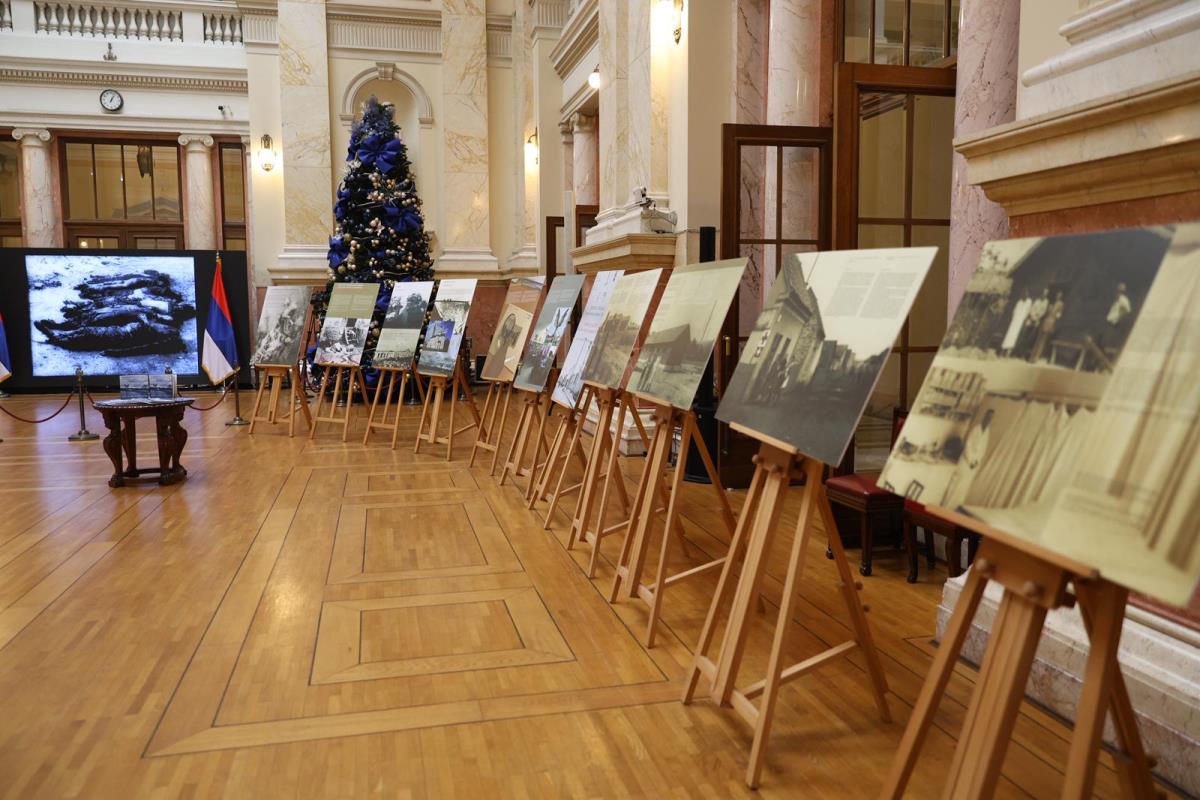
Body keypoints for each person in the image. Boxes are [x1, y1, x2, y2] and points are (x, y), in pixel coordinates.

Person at [944, 408, 994, 509]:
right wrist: (971, 460)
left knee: (963, 488)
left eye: (991, 418)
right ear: (984, 416)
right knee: (956, 485)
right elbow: (968, 445)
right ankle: (946, 506)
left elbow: (983, 450)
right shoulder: (976, 429)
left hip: (973, 465)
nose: (988, 420)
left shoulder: (987, 432)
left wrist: (976, 462)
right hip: (966, 461)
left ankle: (954, 509)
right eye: (988, 417)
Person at [1030, 290, 1064, 363]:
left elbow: (1059, 315)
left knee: (1043, 341)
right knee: (1038, 339)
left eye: (1059, 295)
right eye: (1057, 295)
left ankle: (1036, 357)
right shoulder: (1051, 304)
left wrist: (1055, 318)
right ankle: (1032, 356)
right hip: (1045, 321)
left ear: (1061, 296)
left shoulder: (1060, 304)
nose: (1057, 296)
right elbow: (1046, 312)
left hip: (1051, 322)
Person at [1020, 289, 1049, 360]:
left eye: (1045, 294)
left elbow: (1043, 311)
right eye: (1043, 293)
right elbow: (1032, 308)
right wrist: (1032, 315)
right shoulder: (1037, 300)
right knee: (1025, 335)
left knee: (1031, 337)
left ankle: (1026, 355)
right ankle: (1020, 353)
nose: (1043, 295)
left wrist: (1037, 317)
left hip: (1037, 320)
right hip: (1031, 318)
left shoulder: (1046, 302)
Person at [1001, 290, 1032, 357]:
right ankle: (1003, 350)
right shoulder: (1019, 302)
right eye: (1023, 294)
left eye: (1026, 294)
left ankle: (1009, 352)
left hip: (1021, 322)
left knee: (1015, 337)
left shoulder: (1029, 302)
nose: (1024, 296)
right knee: (1009, 335)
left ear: (1028, 295)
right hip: (1015, 321)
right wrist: (1014, 318)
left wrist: (1025, 320)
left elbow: (1028, 312)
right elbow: (1015, 311)